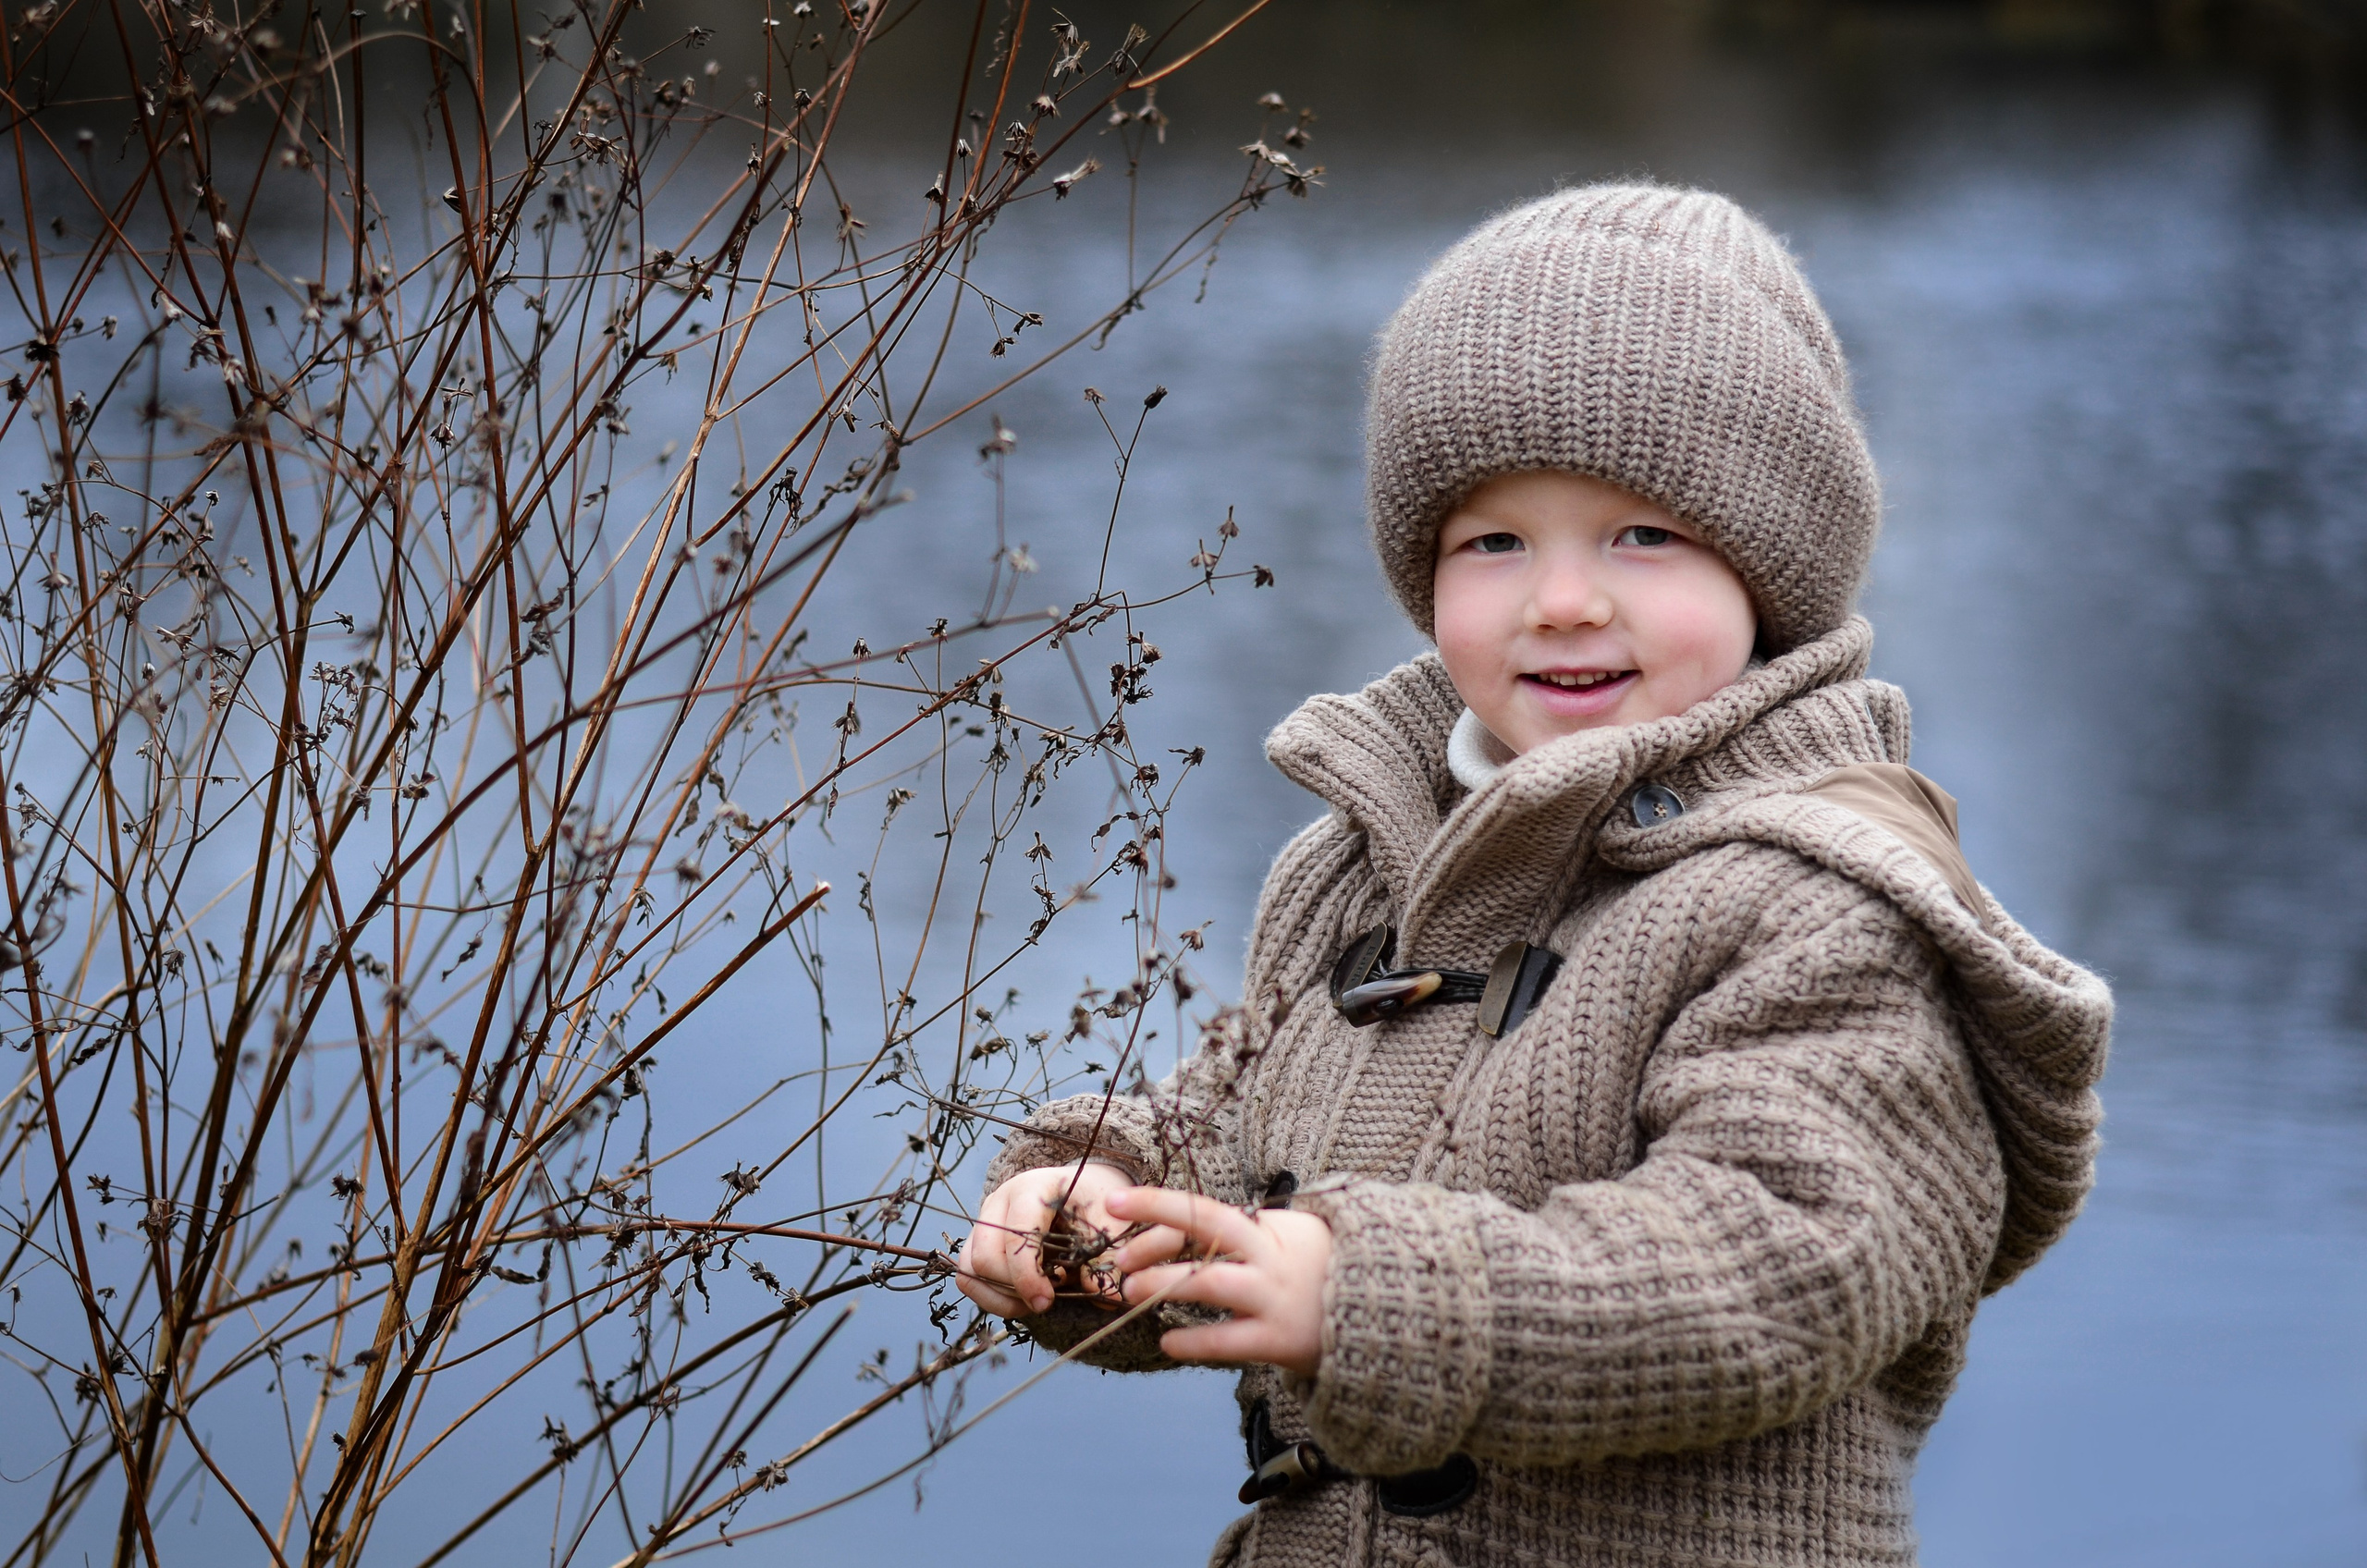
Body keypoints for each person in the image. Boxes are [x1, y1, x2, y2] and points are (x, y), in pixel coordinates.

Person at [957, 183, 2110, 1568]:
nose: (1562, 599)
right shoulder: (1362, 863)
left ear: (1770, 569)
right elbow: (1241, 1121)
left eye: (1646, 535)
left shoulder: (1819, 906)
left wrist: (1374, 1300)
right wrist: (1099, 1202)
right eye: (1495, 542)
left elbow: (1789, 1264)